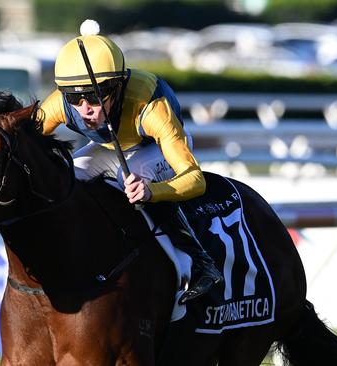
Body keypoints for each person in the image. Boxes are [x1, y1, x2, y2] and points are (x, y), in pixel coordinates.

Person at [38, 20, 223, 304]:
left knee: (135, 176)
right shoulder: (59, 104)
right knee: (66, 178)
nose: (85, 109)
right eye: (74, 97)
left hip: (157, 148)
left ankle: (202, 262)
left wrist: (153, 191)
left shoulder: (148, 103)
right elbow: (23, 138)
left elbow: (195, 179)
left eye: (93, 96)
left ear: (117, 86)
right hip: (107, 147)